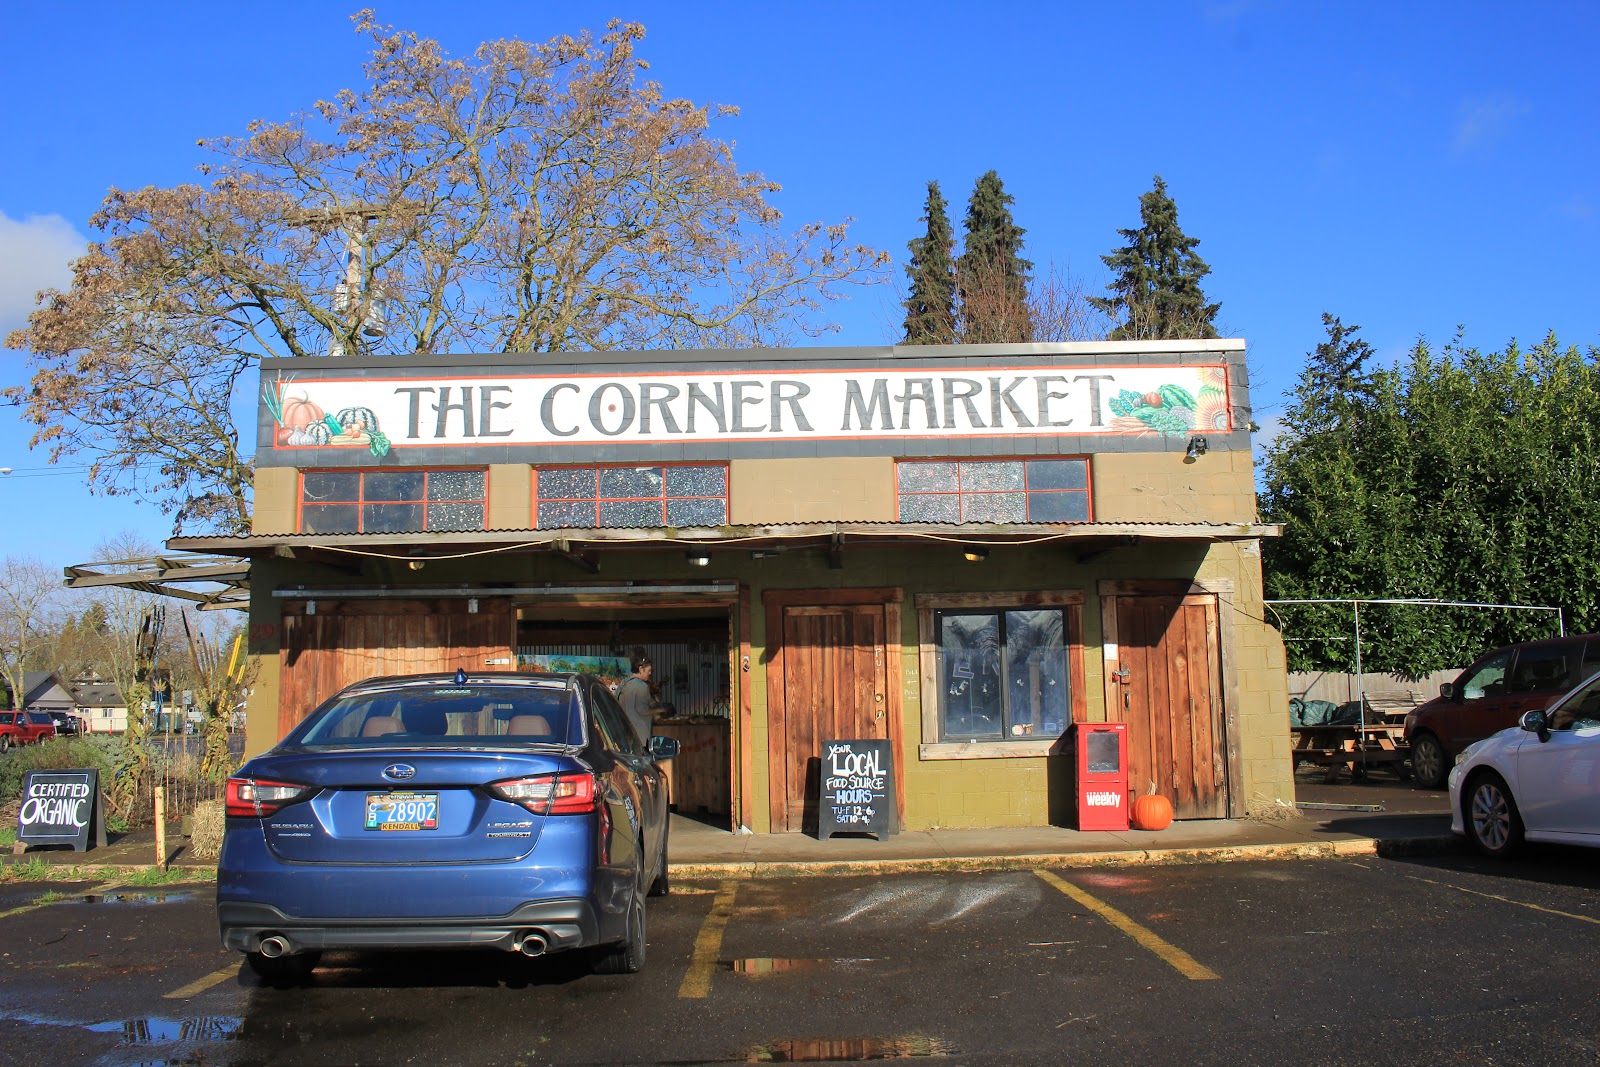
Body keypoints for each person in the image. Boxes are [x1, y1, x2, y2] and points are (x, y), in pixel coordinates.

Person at [618, 656, 655, 743]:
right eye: (649, 670)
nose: (650, 673)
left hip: (625, 734)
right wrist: (660, 710)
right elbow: (642, 710)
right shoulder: (642, 686)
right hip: (640, 736)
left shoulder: (623, 684)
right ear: (641, 669)